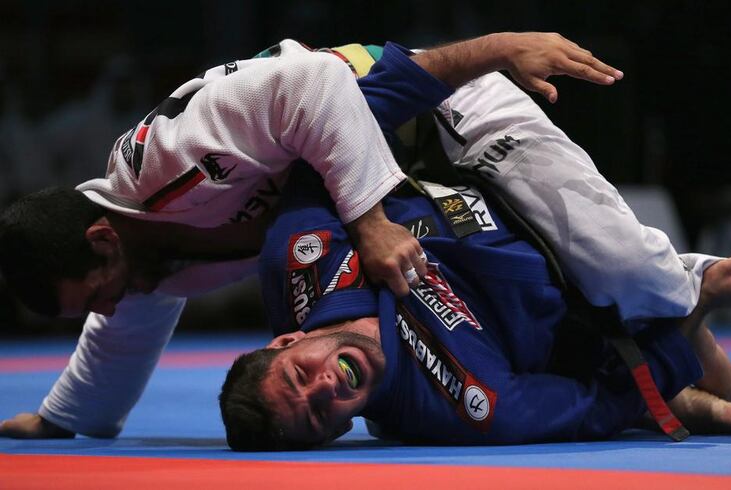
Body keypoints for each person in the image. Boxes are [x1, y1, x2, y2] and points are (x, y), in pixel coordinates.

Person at [0, 32, 627, 439]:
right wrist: (61, 420)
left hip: (434, 107)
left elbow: (318, 84)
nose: (104, 309)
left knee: (625, 268)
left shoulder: (168, 160)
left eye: (93, 295)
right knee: (596, 309)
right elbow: (118, 340)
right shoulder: (148, 259)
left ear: (104, 241)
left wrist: (370, 221)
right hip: (428, 188)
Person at [219, 161, 731, 450]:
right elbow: (596, 405)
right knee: (699, 366)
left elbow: (321, 150)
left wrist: (369, 225)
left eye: (298, 377)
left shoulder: (300, 264)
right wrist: (699, 311)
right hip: (570, 274)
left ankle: (684, 317)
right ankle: (688, 331)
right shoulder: (465, 408)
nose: (324, 389)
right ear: (338, 432)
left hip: (477, 169)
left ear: (287, 340)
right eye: (319, 414)